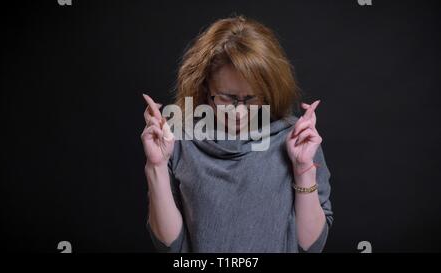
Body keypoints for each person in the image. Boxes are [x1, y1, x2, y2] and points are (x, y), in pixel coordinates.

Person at [141, 15, 333, 253]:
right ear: (204, 88)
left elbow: (311, 247)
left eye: (251, 98)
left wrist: (303, 169)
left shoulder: (297, 139)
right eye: (227, 98)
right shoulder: (177, 141)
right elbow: (170, 246)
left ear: (268, 91)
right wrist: (156, 165)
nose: (239, 112)